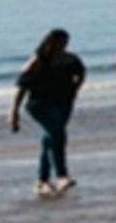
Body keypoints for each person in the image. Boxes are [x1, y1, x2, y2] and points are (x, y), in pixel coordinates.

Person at [9, 28, 85, 198]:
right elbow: (21, 88)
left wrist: (74, 89)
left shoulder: (70, 59)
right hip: (40, 105)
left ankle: (42, 180)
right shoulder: (38, 61)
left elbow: (81, 73)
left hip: (63, 103)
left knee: (49, 140)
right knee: (58, 134)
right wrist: (13, 112)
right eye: (58, 42)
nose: (62, 46)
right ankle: (61, 175)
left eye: (65, 42)